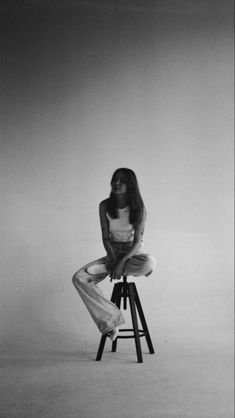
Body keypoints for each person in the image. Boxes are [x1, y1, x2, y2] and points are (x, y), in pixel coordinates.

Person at [72, 168, 156, 342]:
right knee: (79, 278)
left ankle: (119, 269)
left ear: (130, 185)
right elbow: (105, 236)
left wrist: (120, 264)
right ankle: (111, 320)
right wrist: (113, 259)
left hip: (133, 254)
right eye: (115, 179)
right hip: (112, 253)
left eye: (122, 180)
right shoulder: (104, 205)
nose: (117, 183)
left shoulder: (139, 209)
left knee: (149, 262)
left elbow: (137, 242)